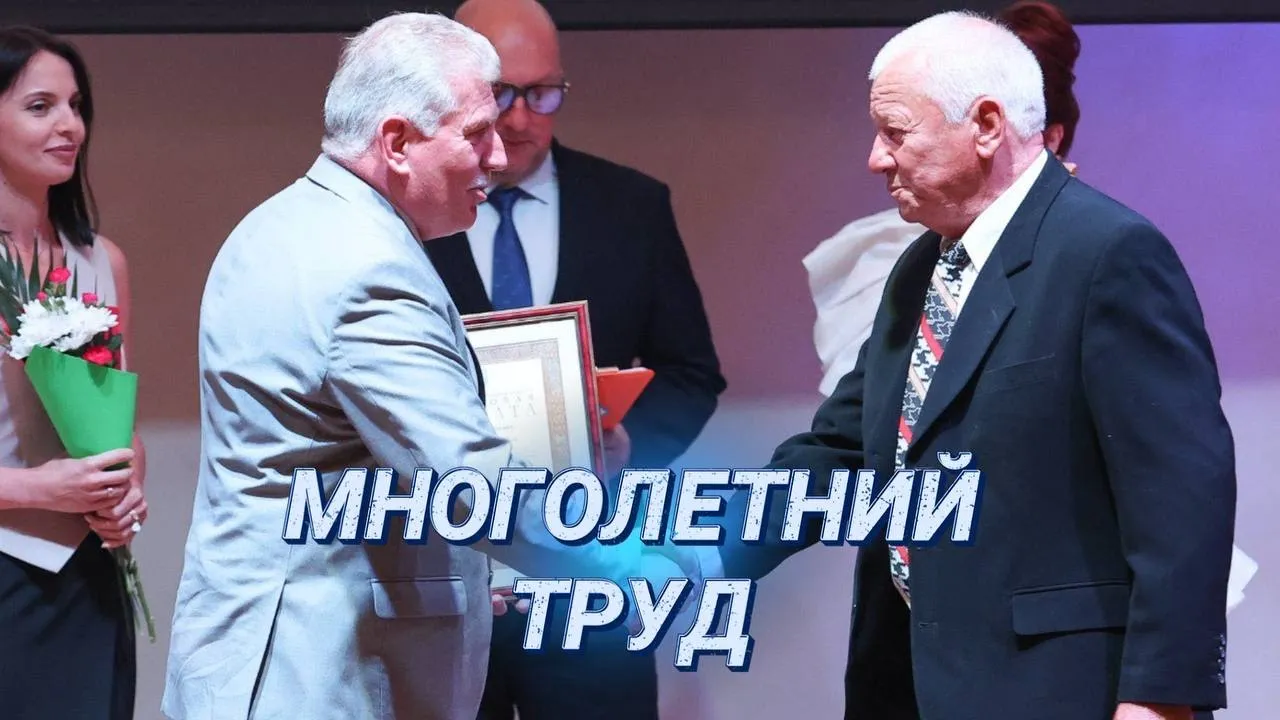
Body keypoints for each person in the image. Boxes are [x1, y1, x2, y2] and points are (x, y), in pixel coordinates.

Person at [163, 12, 695, 720]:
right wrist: (630, 562)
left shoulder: (289, 221)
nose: (497, 156)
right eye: (476, 134)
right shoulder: (366, 266)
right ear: (397, 142)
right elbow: (472, 484)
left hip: (270, 659)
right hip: (314, 675)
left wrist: (474, 570)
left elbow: (347, 467)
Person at [721, 10, 1235, 720]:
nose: (875, 158)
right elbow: (841, 450)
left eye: (895, 132)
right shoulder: (920, 270)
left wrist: (1159, 699)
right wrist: (698, 549)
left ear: (987, 126)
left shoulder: (1107, 254)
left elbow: (1182, 499)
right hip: (908, 687)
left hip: (1055, 692)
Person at [431, 3, 725, 718]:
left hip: (591, 578)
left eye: (543, 93)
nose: (519, 118)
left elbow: (691, 373)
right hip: (443, 580)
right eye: (499, 94)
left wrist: (627, 447)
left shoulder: (631, 205)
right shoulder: (406, 215)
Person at [804, 0, 1081, 396]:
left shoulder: (1093, 257)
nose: (877, 160)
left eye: (897, 132)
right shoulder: (913, 263)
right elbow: (863, 413)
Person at [0, 26, 147, 720]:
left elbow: (121, 422)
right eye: (41, 106)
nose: (70, 126)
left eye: (76, 106)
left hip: (91, 572)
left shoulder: (101, 260)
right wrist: (41, 488)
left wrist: (127, 487)